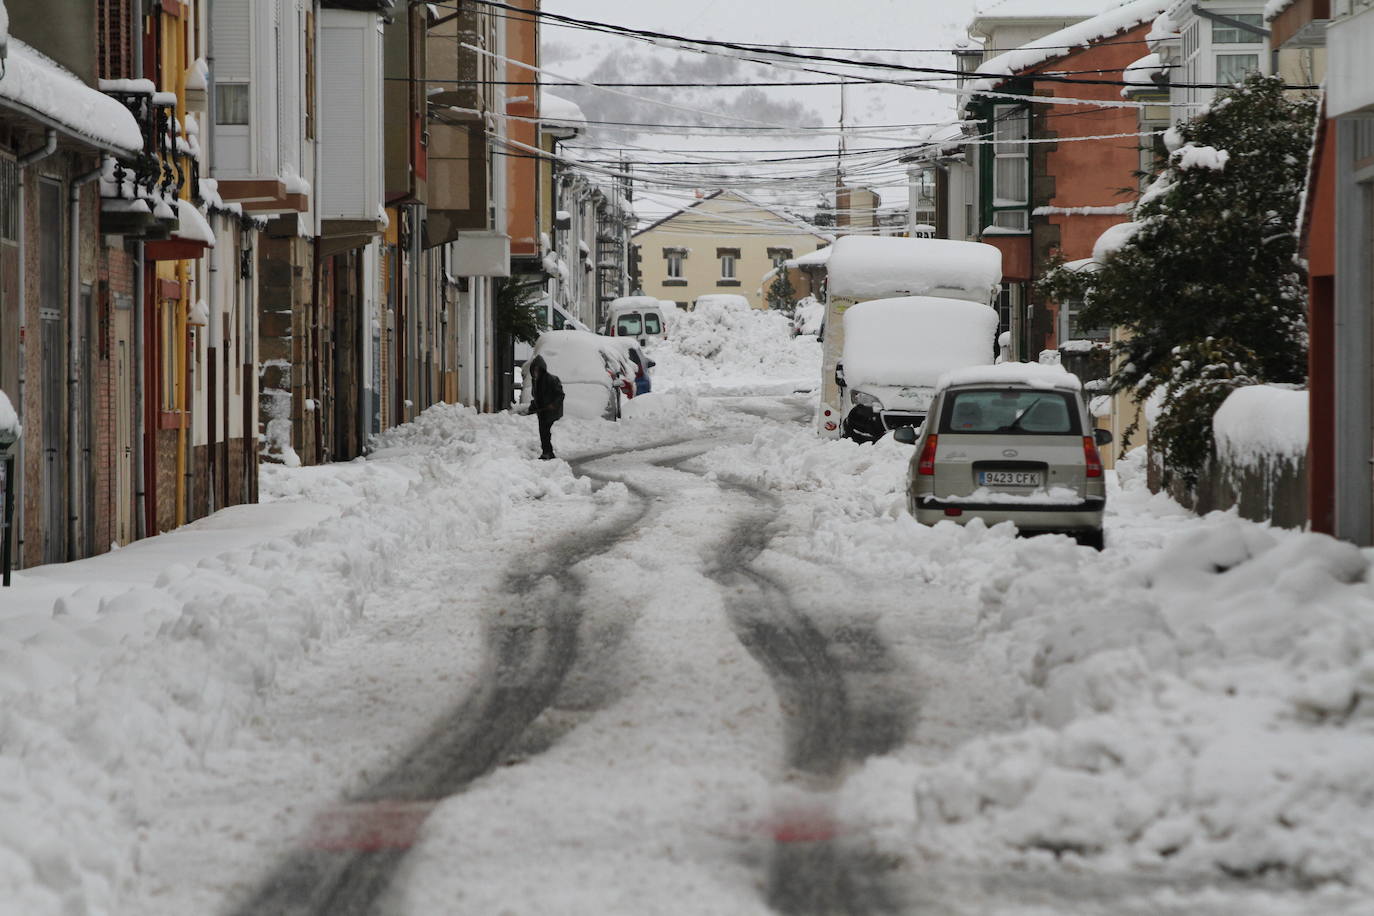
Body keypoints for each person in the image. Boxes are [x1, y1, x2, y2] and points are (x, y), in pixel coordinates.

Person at [526, 355, 564, 460]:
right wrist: (532, 408)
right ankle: (547, 452)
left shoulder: (551, 379)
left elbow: (560, 394)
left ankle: (547, 452)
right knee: (543, 432)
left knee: (545, 431)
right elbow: (536, 397)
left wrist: (554, 404)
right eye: (534, 370)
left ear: (542, 369)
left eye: (537, 369)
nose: (535, 372)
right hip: (542, 410)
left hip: (551, 411)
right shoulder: (535, 381)